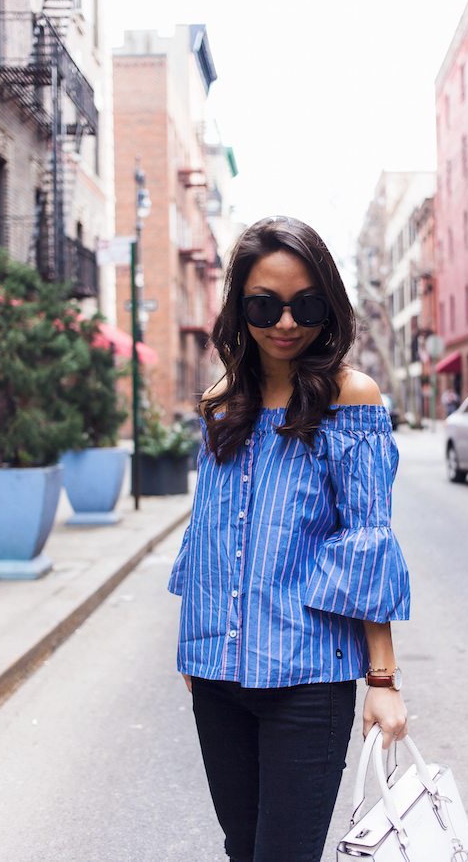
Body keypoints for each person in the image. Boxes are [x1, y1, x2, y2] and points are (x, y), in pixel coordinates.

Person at [168, 216, 410, 862]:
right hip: (216, 678)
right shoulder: (220, 402)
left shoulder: (350, 399)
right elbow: (211, 534)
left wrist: (382, 680)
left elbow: (368, 541)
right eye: (263, 305)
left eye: (305, 304)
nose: (285, 322)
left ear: (327, 306)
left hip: (307, 682)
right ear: (239, 308)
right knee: (241, 849)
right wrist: (199, 649)